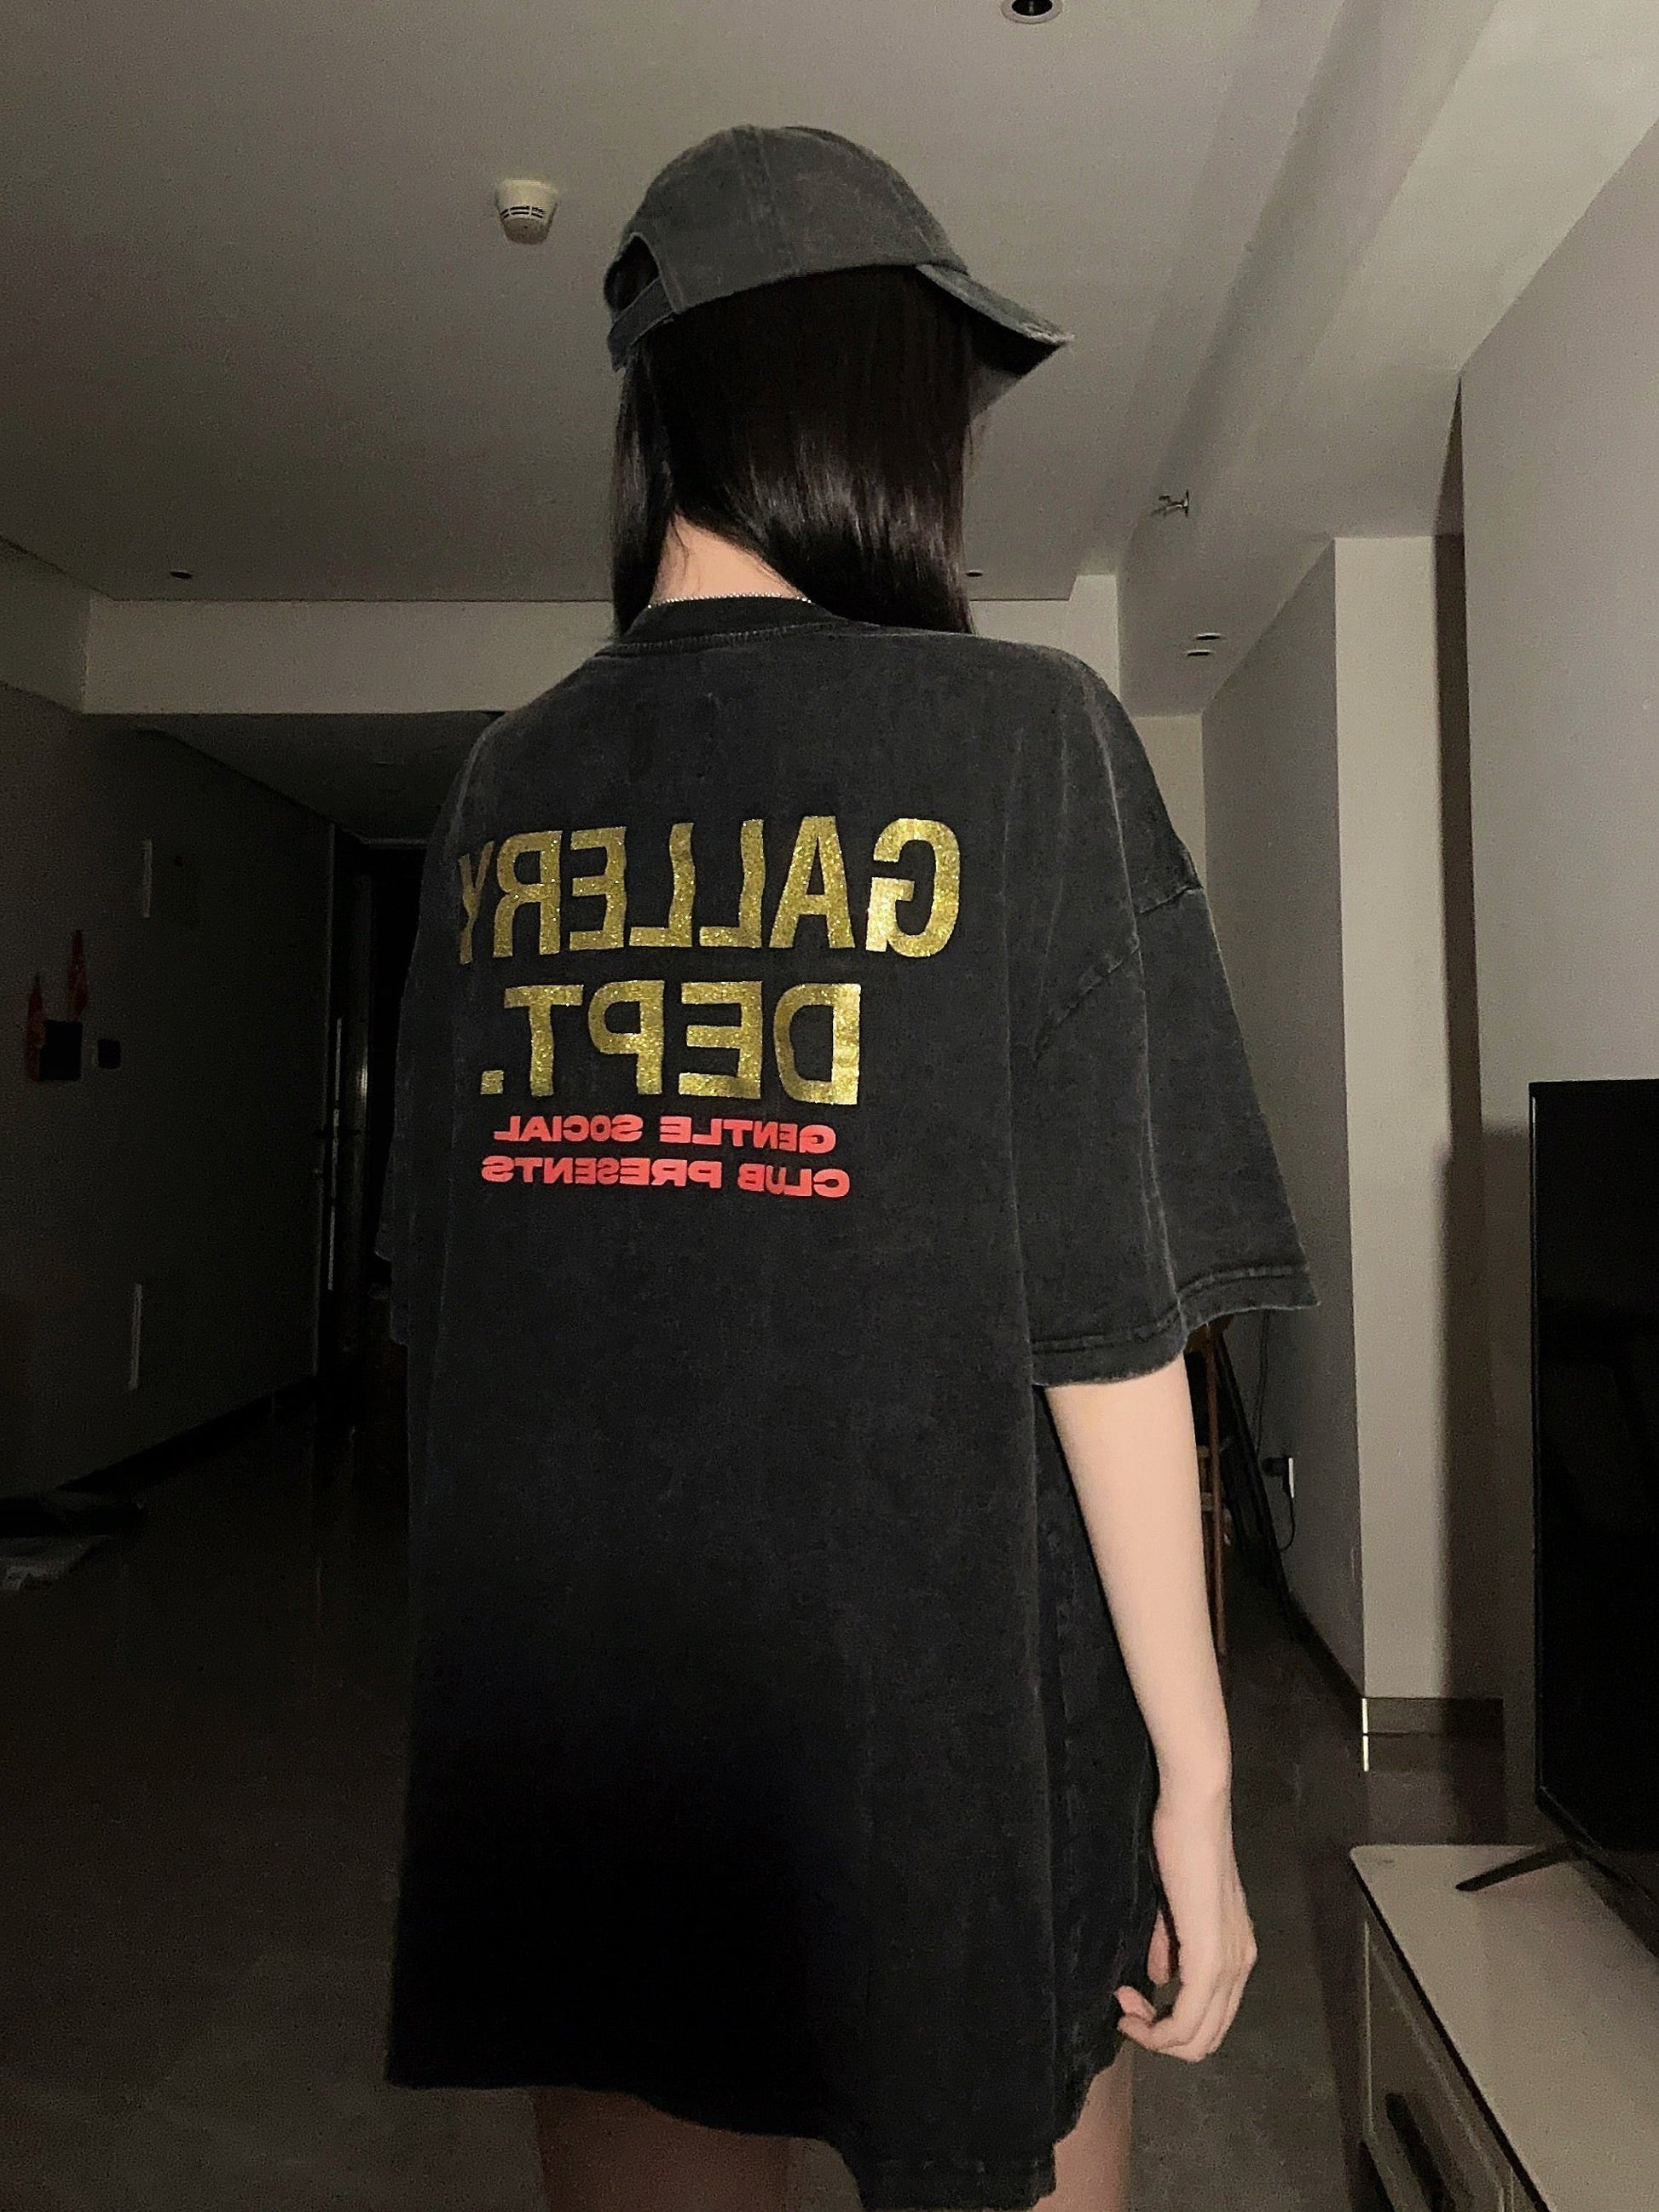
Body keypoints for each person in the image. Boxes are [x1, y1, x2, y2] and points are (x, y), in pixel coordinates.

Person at [374, 124, 1318, 2212]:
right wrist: (1197, 1769)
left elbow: (455, 1305)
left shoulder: (503, 787)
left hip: (595, 1741)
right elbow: (1109, 1318)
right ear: (861, 398)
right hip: (947, 1732)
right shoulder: (1025, 740)